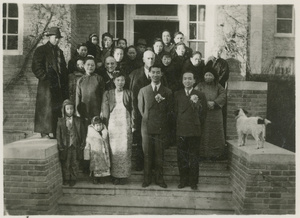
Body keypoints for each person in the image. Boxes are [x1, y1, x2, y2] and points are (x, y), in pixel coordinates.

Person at [138, 64, 173, 188]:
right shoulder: (143, 90)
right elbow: (141, 110)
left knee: (159, 154)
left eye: (158, 72)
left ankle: (159, 179)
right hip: (147, 126)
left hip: (161, 127)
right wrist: (148, 120)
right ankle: (147, 179)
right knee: (147, 153)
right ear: (149, 74)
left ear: (162, 74)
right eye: (153, 72)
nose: (155, 75)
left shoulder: (167, 92)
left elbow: (169, 110)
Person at [32, 26, 68, 139]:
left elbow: (63, 68)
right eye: (55, 37)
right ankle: (44, 131)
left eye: (58, 38)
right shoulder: (41, 50)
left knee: (56, 107)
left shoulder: (59, 52)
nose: (57, 40)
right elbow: (36, 66)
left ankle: (54, 130)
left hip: (57, 84)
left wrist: (63, 80)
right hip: (46, 85)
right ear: (50, 37)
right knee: (45, 107)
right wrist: (45, 77)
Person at [174, 72, 207, 190]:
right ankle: (183, 180)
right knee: (182, 157)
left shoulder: (200, 95)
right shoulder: (177, 94)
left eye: (190, 79)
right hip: (181, 130)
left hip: (194, 130)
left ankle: (193, 182)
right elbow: (174, 112)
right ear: (182, 81)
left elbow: (203, 114)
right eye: (185, 79)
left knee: (194, 157)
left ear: (194, 81)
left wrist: (197, 124)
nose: (187, 81)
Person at [101, 72, 135, 185]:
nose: (120, 82)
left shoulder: (129, 93)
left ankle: (124, 176)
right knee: (114, 149)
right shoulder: (108, 93)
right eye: (118, 80)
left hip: (125, 124)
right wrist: (104, 125)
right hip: (113, 124)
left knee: (125, 149)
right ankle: (114, 175)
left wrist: (133, 124)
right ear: (114, 81)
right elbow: (105, 109)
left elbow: (133, 109)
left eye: (122, 80)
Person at [129, 50, 155, 171]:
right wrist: (134, 115)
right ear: (143, 59)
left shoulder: (158, 74)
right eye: (148, 58)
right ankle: (140, 164)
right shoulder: (135, 74)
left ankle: (151, 166)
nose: (150, 61)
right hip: (139, 113)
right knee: (139, 139)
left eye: (152, 58)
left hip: (154, 115)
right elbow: (132, 97)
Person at [195, 68, 226, 160]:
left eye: (210, 75)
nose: (208, 77)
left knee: (216, 132)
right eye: (206, 75)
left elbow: (223, 95)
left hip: (216, 113)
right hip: (204, 113)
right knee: (204, 132)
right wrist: (205, 103)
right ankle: (203, 154)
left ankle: (217, 154)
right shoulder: (200, 85)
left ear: (214, 77)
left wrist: (215, 103)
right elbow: (195, 95)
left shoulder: (218, 86)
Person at [57, 99, 86, 187]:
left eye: (71, 109)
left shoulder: (78, 120)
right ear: (64, 110)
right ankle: (66, 178)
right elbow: (58, 134)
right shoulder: (60, 121)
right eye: (68, 109)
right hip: (66, 145)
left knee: (75, 162)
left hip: (75, 145)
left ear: (74, 110)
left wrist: (82, 144)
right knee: (66, 163)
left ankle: (73, 178)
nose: (70, 111)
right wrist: (60, 145)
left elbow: (83, 133)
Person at [206, 47, 230, 139]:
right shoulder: (209, 61)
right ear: (212, 51)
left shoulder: (223, 63)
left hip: (218, 86)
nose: (217, 53)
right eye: (215, 50)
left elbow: (224, 75)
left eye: (219, 51)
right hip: (209, 87)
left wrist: (215, 82)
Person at [76, 56, 105, 125]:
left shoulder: (99, 79)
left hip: (96, 109)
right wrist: (77, 111)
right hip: (84, 110)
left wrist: (102, 110)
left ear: (95, 66)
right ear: (84, 66)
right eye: (88, 65)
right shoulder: (80, 80)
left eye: (92, 65)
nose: (90, 67)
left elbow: (103, 95)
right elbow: (78, 96)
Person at [84, 116, 110, 184]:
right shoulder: (91, 134)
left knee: (103, 166)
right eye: (97, 125)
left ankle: (102, 178)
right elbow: (88, 143)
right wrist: (87, 154)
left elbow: (107, 143)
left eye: (100, 125)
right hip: (95, 153)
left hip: (103, 153)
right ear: (93, 126)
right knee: (95, 167)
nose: (99, 127)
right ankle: (95, 178)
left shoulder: (104, 132)